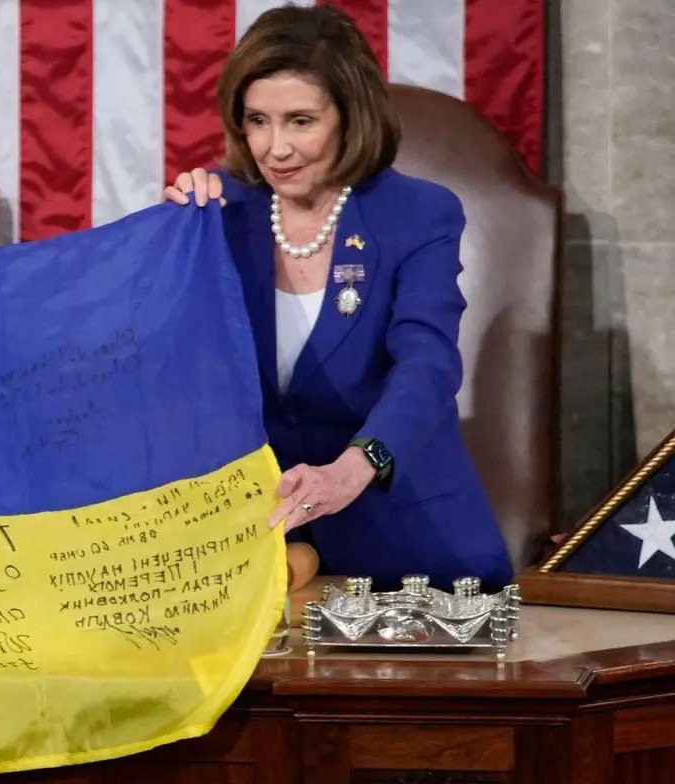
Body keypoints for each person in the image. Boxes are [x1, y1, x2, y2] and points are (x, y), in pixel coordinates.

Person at [161, 5, 511, 590]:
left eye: (301, 120)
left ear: (351, 117)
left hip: (406, 541)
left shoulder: (418, 214)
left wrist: (356, 468)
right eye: (257, 120)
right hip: (259, 545)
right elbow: (169, 366)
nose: (275, 148)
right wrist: (167, 244)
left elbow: (426, 364)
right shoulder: (216, 213)